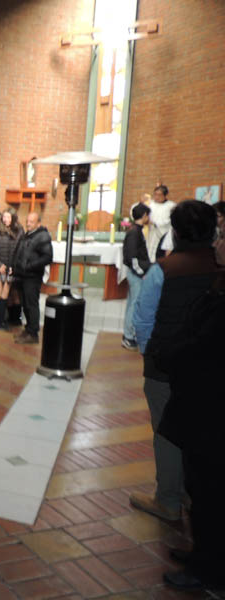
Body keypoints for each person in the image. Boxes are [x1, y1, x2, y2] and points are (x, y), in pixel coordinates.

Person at [131, 199, 219, 524]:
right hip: (210, 367)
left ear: (177, 233)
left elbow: (143, 320)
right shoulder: (218, 267)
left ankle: (168, 499)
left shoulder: (164, 270)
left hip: (165, 366)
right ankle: (191, 494)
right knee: (203, 429)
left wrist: (149, 354)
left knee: (166, 430)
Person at [155, 271, 225, 590]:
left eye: (222, 243)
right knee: (200, 487)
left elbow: (204, 346)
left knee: (211, 490)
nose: (216, 246)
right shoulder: (217, 282)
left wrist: (169, 356)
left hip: (213, 405)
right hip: (204, 403)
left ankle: (207, 570)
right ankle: (202, 554)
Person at [12, 211, 52, 344]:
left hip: (32, 276)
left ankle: (33, 333)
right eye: (27, 221)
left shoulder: (43, 236)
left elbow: (48, 257)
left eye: (31, 222)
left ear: (38, 223)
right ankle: (28, 329)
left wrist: (29, 266)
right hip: (23, 275)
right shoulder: (28, 234)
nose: (28, 224)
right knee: (25, 304)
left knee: (31, 304)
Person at [121, 202, 151, 350]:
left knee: (132, 304)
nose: (149, 218)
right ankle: (128, 337)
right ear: (144, 215)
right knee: (134, 305)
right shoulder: (134, 232)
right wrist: (142, 273)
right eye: (148, 215)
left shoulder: (136, 230)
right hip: (136, 274)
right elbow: (132, 257)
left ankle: (128, 334)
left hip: (136, 272)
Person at [146, 185, 175, 262]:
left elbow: (168, 220)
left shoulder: (171, 206)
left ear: (165, 195)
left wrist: (154, 223)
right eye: (155, 194)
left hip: (163, 233)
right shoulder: (150, 205)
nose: (157, 197)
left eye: (159, 195)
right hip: (151, 234)